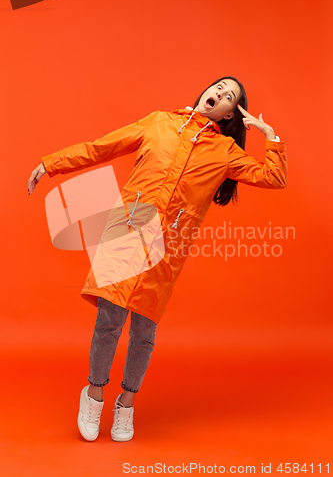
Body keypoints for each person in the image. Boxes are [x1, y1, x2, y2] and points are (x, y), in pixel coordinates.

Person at [27, 76, 288, 443]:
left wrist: (269, 133)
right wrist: (51, 164)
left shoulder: (225, 152)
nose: (219, 94)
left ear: (231, 114)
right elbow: (102, 147)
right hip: (127, 230)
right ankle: (94, 394)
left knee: (144, 333)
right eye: (219, 87)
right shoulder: (159, 123)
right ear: (205, 92)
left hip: (169, 244)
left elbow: (275, 176)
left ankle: (127, 403)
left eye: (230, 96)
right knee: (108, 323)